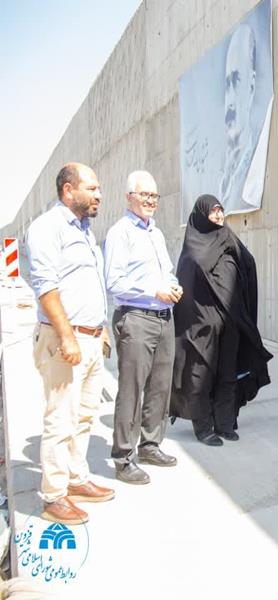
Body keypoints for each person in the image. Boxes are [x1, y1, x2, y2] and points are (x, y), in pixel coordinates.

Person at [26, 162, 115, 525]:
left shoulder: (85, 231)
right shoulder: (47, 228)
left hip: (91, 338)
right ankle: (53, 495)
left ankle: (76, 479)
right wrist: (67, 337)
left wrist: (101, 328)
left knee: (84, 415)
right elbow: (45, 287)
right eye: (91, 188)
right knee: (60, 418)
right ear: (68, 190)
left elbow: (89, 284)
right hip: (66, 339)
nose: (99, 195)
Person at [169, 195, 272, 445]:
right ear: (201, 214)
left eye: (220, 210)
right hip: (202, 324)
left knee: (228, 373)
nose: (218, 215)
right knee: (201, 375)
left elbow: (248, 263)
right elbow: (188, 280)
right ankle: (203, 427)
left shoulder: (227, 237)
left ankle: (224, 422)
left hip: (231, 321)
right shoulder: (194, 244)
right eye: (213, 211)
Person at [104, 171, 182, 485]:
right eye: (144, 195)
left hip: (164, 317)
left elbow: (167, 272)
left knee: (161, 386)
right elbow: (114, 282)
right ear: (129, 197)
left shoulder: (156, 233)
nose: (150, 201)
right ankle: (123, 457)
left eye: (154, 196)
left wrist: (173, 286)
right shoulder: (120, 233)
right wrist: (154, 291)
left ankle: (150, 445)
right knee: (131, 389)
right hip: (136, 318)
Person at [220, 23, 260, 210]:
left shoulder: (254, 167)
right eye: (227, 85)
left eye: (236, 81)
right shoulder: (224, 178)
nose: (230, 101)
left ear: (251, 86)